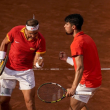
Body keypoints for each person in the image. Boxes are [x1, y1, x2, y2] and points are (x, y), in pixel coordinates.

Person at [0, 18, 46, 110]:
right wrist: (0, 59)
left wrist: (38, 64)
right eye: (30, 33)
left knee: (30, 103)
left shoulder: (40, 40)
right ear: (25, 29)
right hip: (8, 71)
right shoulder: (16, 31)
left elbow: (36, 60)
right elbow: (4, 43)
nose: (33, 36)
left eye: (35, 33)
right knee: (3, 102)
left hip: (26, 73)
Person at [59, 14, 102, 110]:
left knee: (72, 108)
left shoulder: (76, 43)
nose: (64, 26)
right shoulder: (87, 38)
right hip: (95, 80)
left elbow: (79, 68)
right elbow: (85, 62)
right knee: (81, 106)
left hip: (87, 83)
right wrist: (67, 59)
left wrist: (73, 88)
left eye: (66, 24)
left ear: (73, 27)